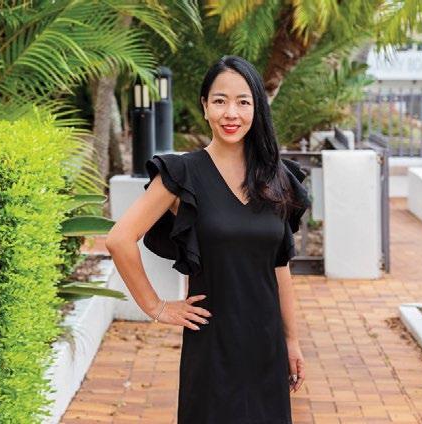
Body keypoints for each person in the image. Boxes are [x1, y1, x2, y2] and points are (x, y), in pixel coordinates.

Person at [105, 55, 311, 424]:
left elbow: (280, 267)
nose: (231, 113)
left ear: (257, 108)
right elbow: (119, 239)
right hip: (212, 345)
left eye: (243, 102)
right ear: (204, 107)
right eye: (220, 101)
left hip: (266, 345)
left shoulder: (277, 178)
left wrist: (291, 341)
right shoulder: (182, 173)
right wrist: (156, 307)